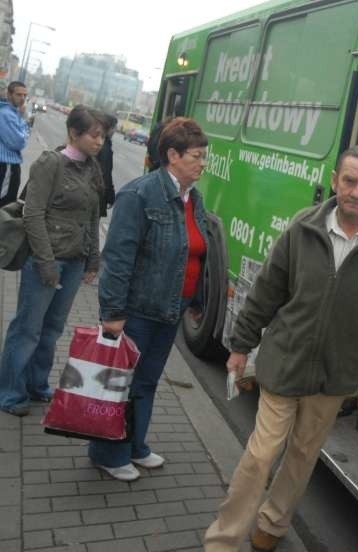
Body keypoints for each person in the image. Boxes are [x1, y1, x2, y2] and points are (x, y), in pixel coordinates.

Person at [204, 144, 358, 552]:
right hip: (285, 360)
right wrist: (241, 344)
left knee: (303, 456)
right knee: (261, 455)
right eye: (349, 181)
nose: (356, 191)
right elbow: (267, 289)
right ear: (335, 181)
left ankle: (273, 524)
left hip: (337, 374)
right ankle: (224, 540)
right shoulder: (304, 226)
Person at [88, 117, 209, 481]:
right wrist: (113, 312)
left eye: (205, 157)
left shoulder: (193, 198)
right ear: (172, 155)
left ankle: (135, 444)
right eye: (197, 156)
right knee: (121, 383)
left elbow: (195, 251)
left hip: (170, 309)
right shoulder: (139, 194)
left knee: (147, 381)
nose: (203, 163)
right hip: (139, 310)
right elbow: (119, 259)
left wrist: (198, 298)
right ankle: (108, 453)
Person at [0, 105, 106, 416]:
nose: (100, 141)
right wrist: (45, 262)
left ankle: (36, 384)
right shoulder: (50, 163)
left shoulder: (91, 168)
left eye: (103, 136)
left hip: (74, 262)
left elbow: (92, 218)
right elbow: (33, 214)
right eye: (95, 135)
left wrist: (92, 260)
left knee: (52, 328)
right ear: (74, 133)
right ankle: (10, 392)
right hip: (45, 259)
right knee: (27, 328)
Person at [0, 81, 30, 207]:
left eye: (25, 95)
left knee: (9, 202)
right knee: (4, 204)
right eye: (18, 94)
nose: (22, 98)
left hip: (10, 165)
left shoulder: (14, 113)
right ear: (9, 94)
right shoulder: (6, 114)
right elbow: (18, 142)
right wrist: (24, 123)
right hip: (5, 165)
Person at [96, 113, 117, 217]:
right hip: (97, 193)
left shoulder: (97, 140)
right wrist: (110, 195)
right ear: (109, 128)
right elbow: (105, 173)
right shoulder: (105, 147)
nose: (115, 131)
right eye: (114, 128)